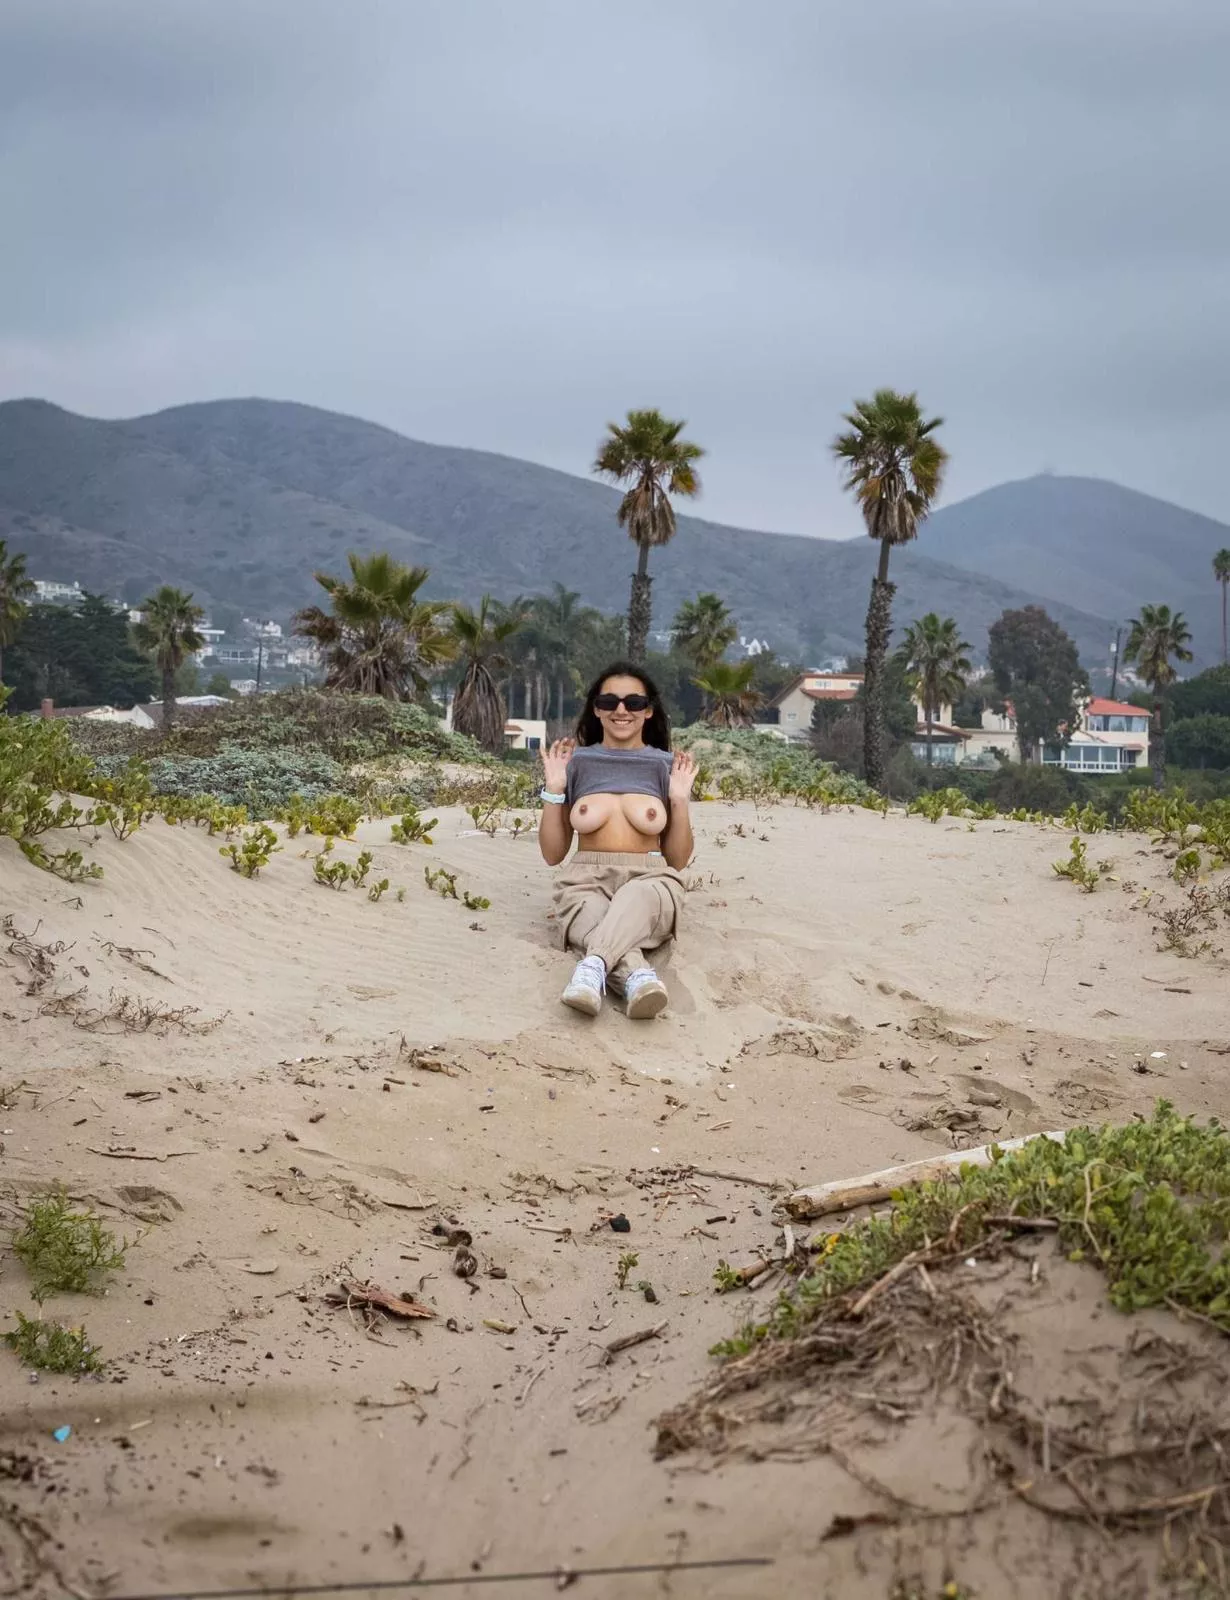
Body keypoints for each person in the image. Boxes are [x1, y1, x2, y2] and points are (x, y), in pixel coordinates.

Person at [538, 662, 697, 1019]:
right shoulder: (576, 762)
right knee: (592, 912)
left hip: (651, 879)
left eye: (633, 702)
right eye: (609, 701)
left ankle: (592, 966)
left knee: (635, 896)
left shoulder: (665, 765)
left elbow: (678, 859)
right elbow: (553, 854)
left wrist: (680, 800)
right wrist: (553, 791)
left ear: (649, 710)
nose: (621, 710)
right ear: (596, 709)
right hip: (583, 881)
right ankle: (636, 977)